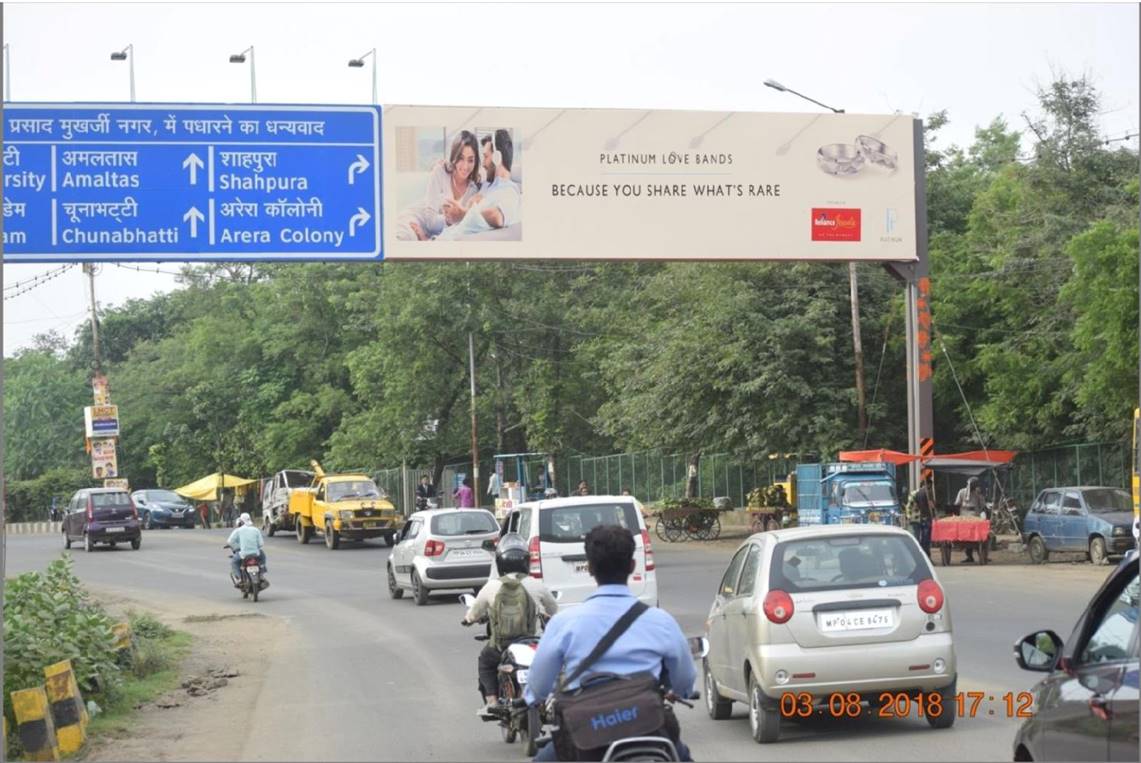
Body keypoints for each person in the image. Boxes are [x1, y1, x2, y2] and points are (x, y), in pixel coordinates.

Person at [525, 525, 696, 761]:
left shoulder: (564, 624)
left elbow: (538, 684)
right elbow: (684, 679)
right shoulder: (660, 621)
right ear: (632, 565)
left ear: (590, 568)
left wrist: (532, 698)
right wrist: (680, 691)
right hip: (649, 727)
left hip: (585, 734)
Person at [463, 534, 558, 718]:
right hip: (532, 644)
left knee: (485, 662)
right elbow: (554, 609)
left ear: (500, 562)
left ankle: (492, 701)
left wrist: (468, 619)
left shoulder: (492, 586)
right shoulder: (536, 585)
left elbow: (474, 613)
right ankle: (550, 700)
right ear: (526, 561)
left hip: (502, 646)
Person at [435, 129, 521, 240]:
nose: (483, 164)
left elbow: (497, 216)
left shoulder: (509, 190)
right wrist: (445, 166)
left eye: (485, 157)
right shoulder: (488, 186)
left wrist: (463, 214)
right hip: (443, 238)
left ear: (497, 158)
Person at [396, 130, 482, 241]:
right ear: (454, 156)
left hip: (434, 236)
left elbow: (458, 228)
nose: (465, 166)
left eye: (470, 160)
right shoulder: (441, 172)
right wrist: (450, 220)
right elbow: (430, 222)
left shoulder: (473, 190)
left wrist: (429, 238)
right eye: (461, 158)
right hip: (416, 219)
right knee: (404, 238)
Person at [224, 513, 268, 587]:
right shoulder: (256, 530)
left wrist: (238, 546)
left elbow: (230, 542)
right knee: (263, 556)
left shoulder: (238, 530)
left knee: (234, 562)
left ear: (241, 521)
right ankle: (261, 574)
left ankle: (240, 579)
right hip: (256, 553)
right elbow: (261, 544)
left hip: (243, 554)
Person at [954, 477, 987, 562]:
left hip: (975, 515)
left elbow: (982, 505)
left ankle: (978, 554)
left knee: (975, 530)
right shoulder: (962, 492)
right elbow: (957, 504)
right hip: (963, 514)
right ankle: (969, 556)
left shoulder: (978, 493)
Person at [906, 477, 935, 558]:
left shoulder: (915, 493)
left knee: (920, 538)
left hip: (917, 518)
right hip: (920, 518)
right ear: (927, 485)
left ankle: (922, 555)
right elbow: (909, 506)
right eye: (929, 486)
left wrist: (908, 516)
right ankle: (922, 555)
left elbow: (908, 507)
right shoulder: (921, 493)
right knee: (924, 538)